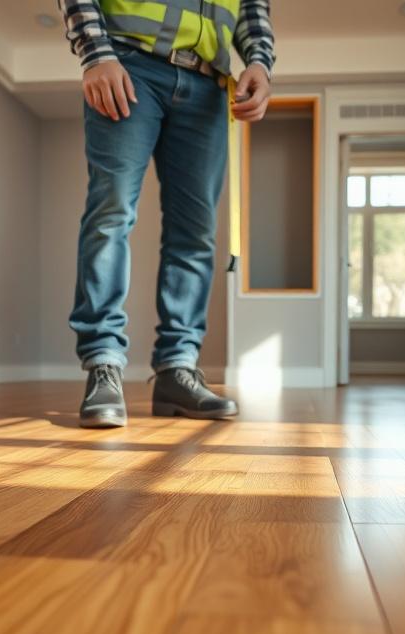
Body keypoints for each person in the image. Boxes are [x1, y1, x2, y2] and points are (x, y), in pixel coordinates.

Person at [58, 0, 275, 428]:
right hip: (127, 63)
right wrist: (95, 51)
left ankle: (177, 368)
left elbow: (253, 7)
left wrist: (260, 62)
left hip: (209, 86)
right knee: (111, 213)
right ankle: (103, 363)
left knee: (195, 233)